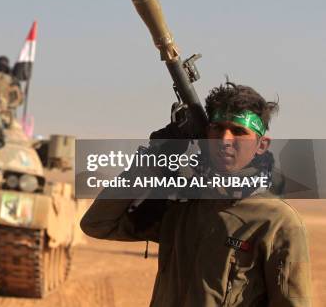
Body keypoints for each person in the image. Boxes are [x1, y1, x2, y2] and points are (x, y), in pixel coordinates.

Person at [80, 82, 311, 306]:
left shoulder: (277, 222)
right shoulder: (182, 203)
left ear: (262, 145)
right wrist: (152, 161)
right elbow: (98, 223)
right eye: (217, 128)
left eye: (238, 132)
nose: (225, 139)